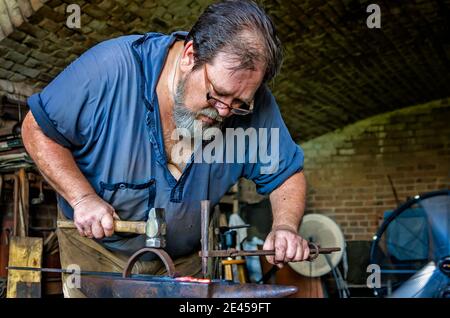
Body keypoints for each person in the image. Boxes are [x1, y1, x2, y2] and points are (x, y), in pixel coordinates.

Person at [21, 0, 310, 297]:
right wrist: (81, 197)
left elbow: (287, 174)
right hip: (97, 253)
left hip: (185, 262)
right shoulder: (110, 71)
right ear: (189, 56)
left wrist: (285, 226)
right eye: (218, 95)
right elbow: (37, 129)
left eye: (239, 104)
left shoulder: (254, 104)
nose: (224, 112)